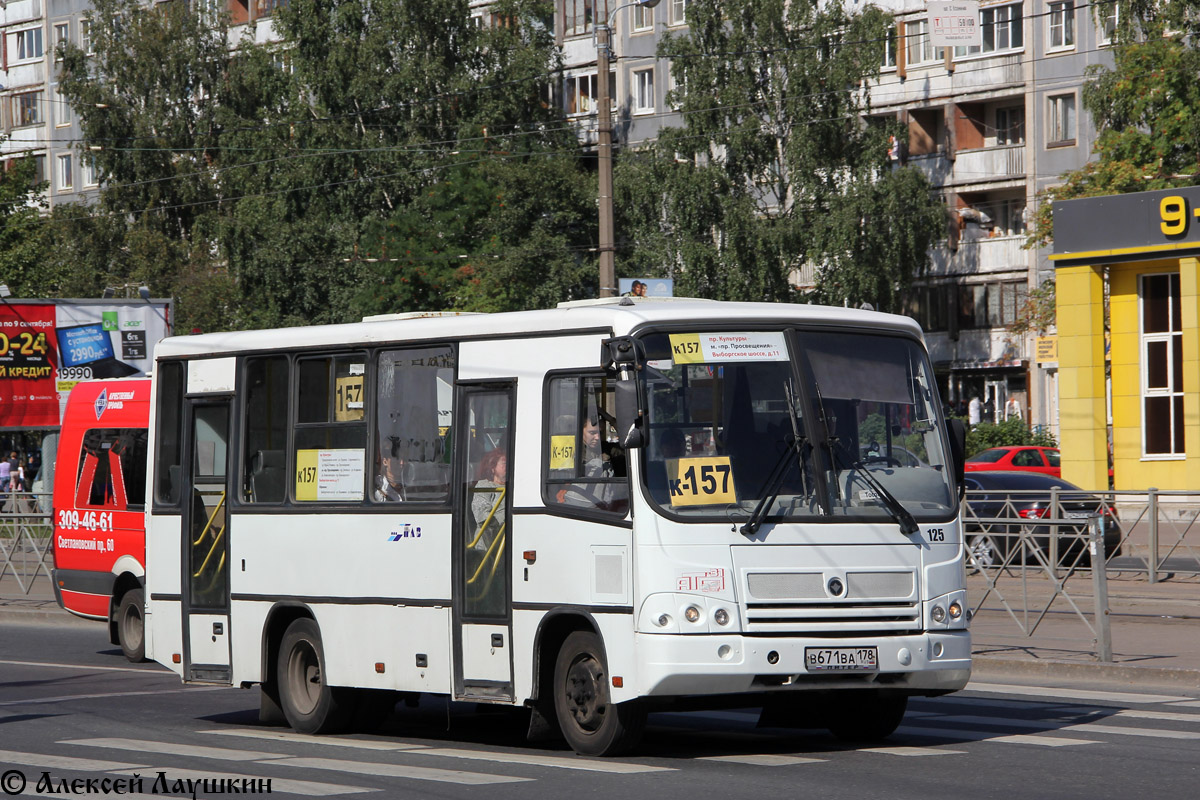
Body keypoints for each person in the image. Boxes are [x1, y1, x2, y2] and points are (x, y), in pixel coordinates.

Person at [471, 448, 507, 554]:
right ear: (492, 467)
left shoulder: (515, 488)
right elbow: (482, 514)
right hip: (489, 544)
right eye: (504, 463)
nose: (508, 466)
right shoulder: (484, 486)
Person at [374, 436, 407, 501]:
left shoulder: (411, 484)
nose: (402, 463)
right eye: (397, 459)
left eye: (404, 459)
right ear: (385, 461)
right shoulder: (376, 486)